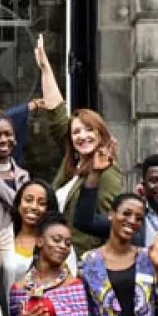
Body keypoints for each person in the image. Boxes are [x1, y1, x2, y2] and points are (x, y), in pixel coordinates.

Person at [33, 36, 122, 256]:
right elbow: (56, 113)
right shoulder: (73, 164)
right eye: (76, 132)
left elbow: (108, 223)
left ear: (101, 134)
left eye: (89, 130)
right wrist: (45, 68)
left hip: (85, 259)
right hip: (60, 255)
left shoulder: (107, 172)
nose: (82, 136)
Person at [74, 153, 158, 269]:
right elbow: (84, 222)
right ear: (144, 184)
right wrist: (95, 174)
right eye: (154, 180)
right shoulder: (127, 220)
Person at [3, 180, 77, 288]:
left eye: (42, 203)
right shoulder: (3, 238)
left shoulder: (61, 244)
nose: (33, 207)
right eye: (28, 200)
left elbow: (70, 285)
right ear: (18, 203)